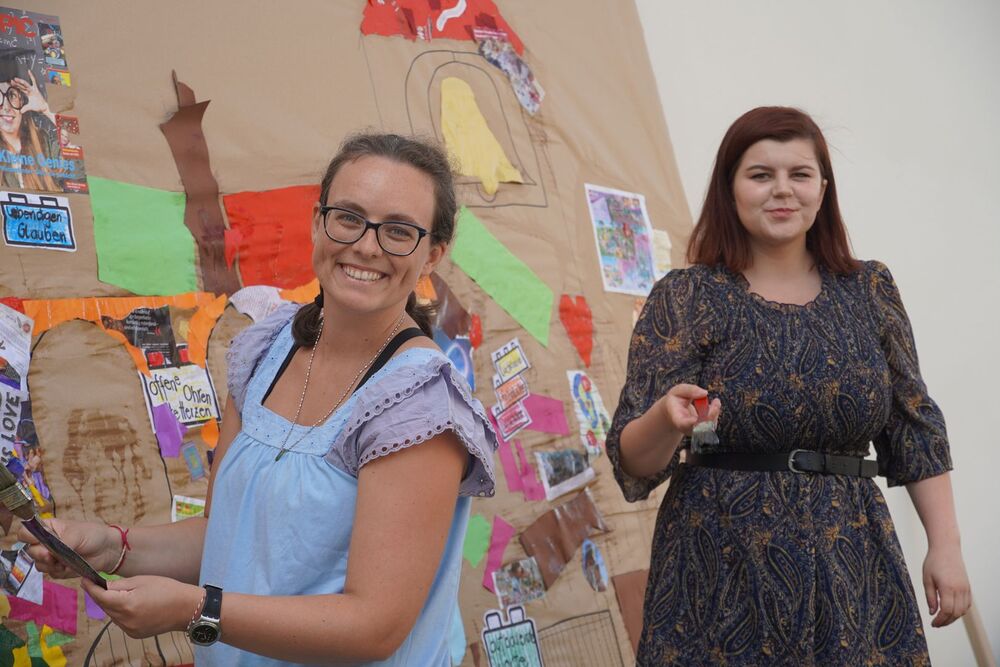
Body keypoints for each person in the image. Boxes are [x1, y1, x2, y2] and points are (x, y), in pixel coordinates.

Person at [22, 132, 498, 665]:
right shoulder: (267, 351)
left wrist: (194, 610)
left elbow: (374, 626)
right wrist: (114, 546)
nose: (367, 246)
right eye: (349, 218)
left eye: (398, 231)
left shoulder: (418, 405)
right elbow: (226, 536)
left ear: (433, 254)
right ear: (318, 222)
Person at [606, 107, 970, 665]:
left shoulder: (868, 289)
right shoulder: (687, 295)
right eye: (760, 175)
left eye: (799, 174)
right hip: (719, 564)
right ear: (730, 189)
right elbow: (633, 460)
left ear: (823, 189)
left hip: (852, 555)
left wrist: (945, 546)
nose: (782, 190)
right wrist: (664, 420)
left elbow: (914, 426)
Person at [0, 59, 61, 192]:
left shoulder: (45, 142)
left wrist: (46, 110)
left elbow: (79, 170)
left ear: (22, 100)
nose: (6, 107)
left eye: (12, 95)